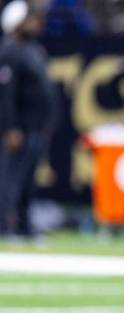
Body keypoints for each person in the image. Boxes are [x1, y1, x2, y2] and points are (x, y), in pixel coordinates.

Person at [0, 0, 57, 240]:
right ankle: (4, 226)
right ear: (16, 22)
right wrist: (11, 127)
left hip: (37, 126)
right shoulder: (10, 50)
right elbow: (6, 94)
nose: (36, 23)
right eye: (30, 19)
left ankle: (24, 226)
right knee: (10, 179)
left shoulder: (34, 49)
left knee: (28, 180)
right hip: (20, 127)